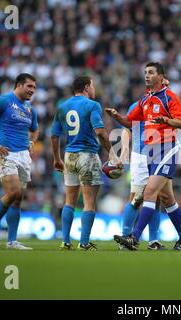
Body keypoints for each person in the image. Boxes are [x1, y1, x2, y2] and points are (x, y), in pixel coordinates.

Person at [106, 62, 181, 250]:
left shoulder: (169, 97)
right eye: (145, 73)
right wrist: (116, 117)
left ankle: (134, 238)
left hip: (166, 148)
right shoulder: (145, 100)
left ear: (161, 77)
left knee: (149, 192)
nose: (146, 76)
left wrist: (166, 120)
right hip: (150, 151)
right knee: (168, 198)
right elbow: (129, 122)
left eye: (151, 72)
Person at [51, 75, 122, 251]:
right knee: (89, 202)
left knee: (70, 201)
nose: (94, 89)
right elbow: (100, 132)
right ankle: (83, 243)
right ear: (86, 87)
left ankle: (65, 241)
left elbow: (54, 135)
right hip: (88, 155)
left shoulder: (63, 106)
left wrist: (56, 158)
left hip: (69, 156)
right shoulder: (92, 105)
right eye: (93, 86)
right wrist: (113, 154)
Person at [0, 73, 39, 250]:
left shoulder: (30, 110)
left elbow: (35, 130)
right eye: (29, 86)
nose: (32, 90)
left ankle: (12, 241)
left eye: (34, 87)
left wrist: (32, 142)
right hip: (6, 153)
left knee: (18, 198)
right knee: (13, 192)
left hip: (23, 156)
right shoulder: (3, 101)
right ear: (18, 85)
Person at [119, 99, 166, 250]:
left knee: (156, 198)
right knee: (136, 197)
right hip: (140, 155)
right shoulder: (138, 105)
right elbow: (126, 128)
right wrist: (125, 147)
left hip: (159, 155)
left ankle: (153, 241)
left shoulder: (167, 104)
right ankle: (126, 238)